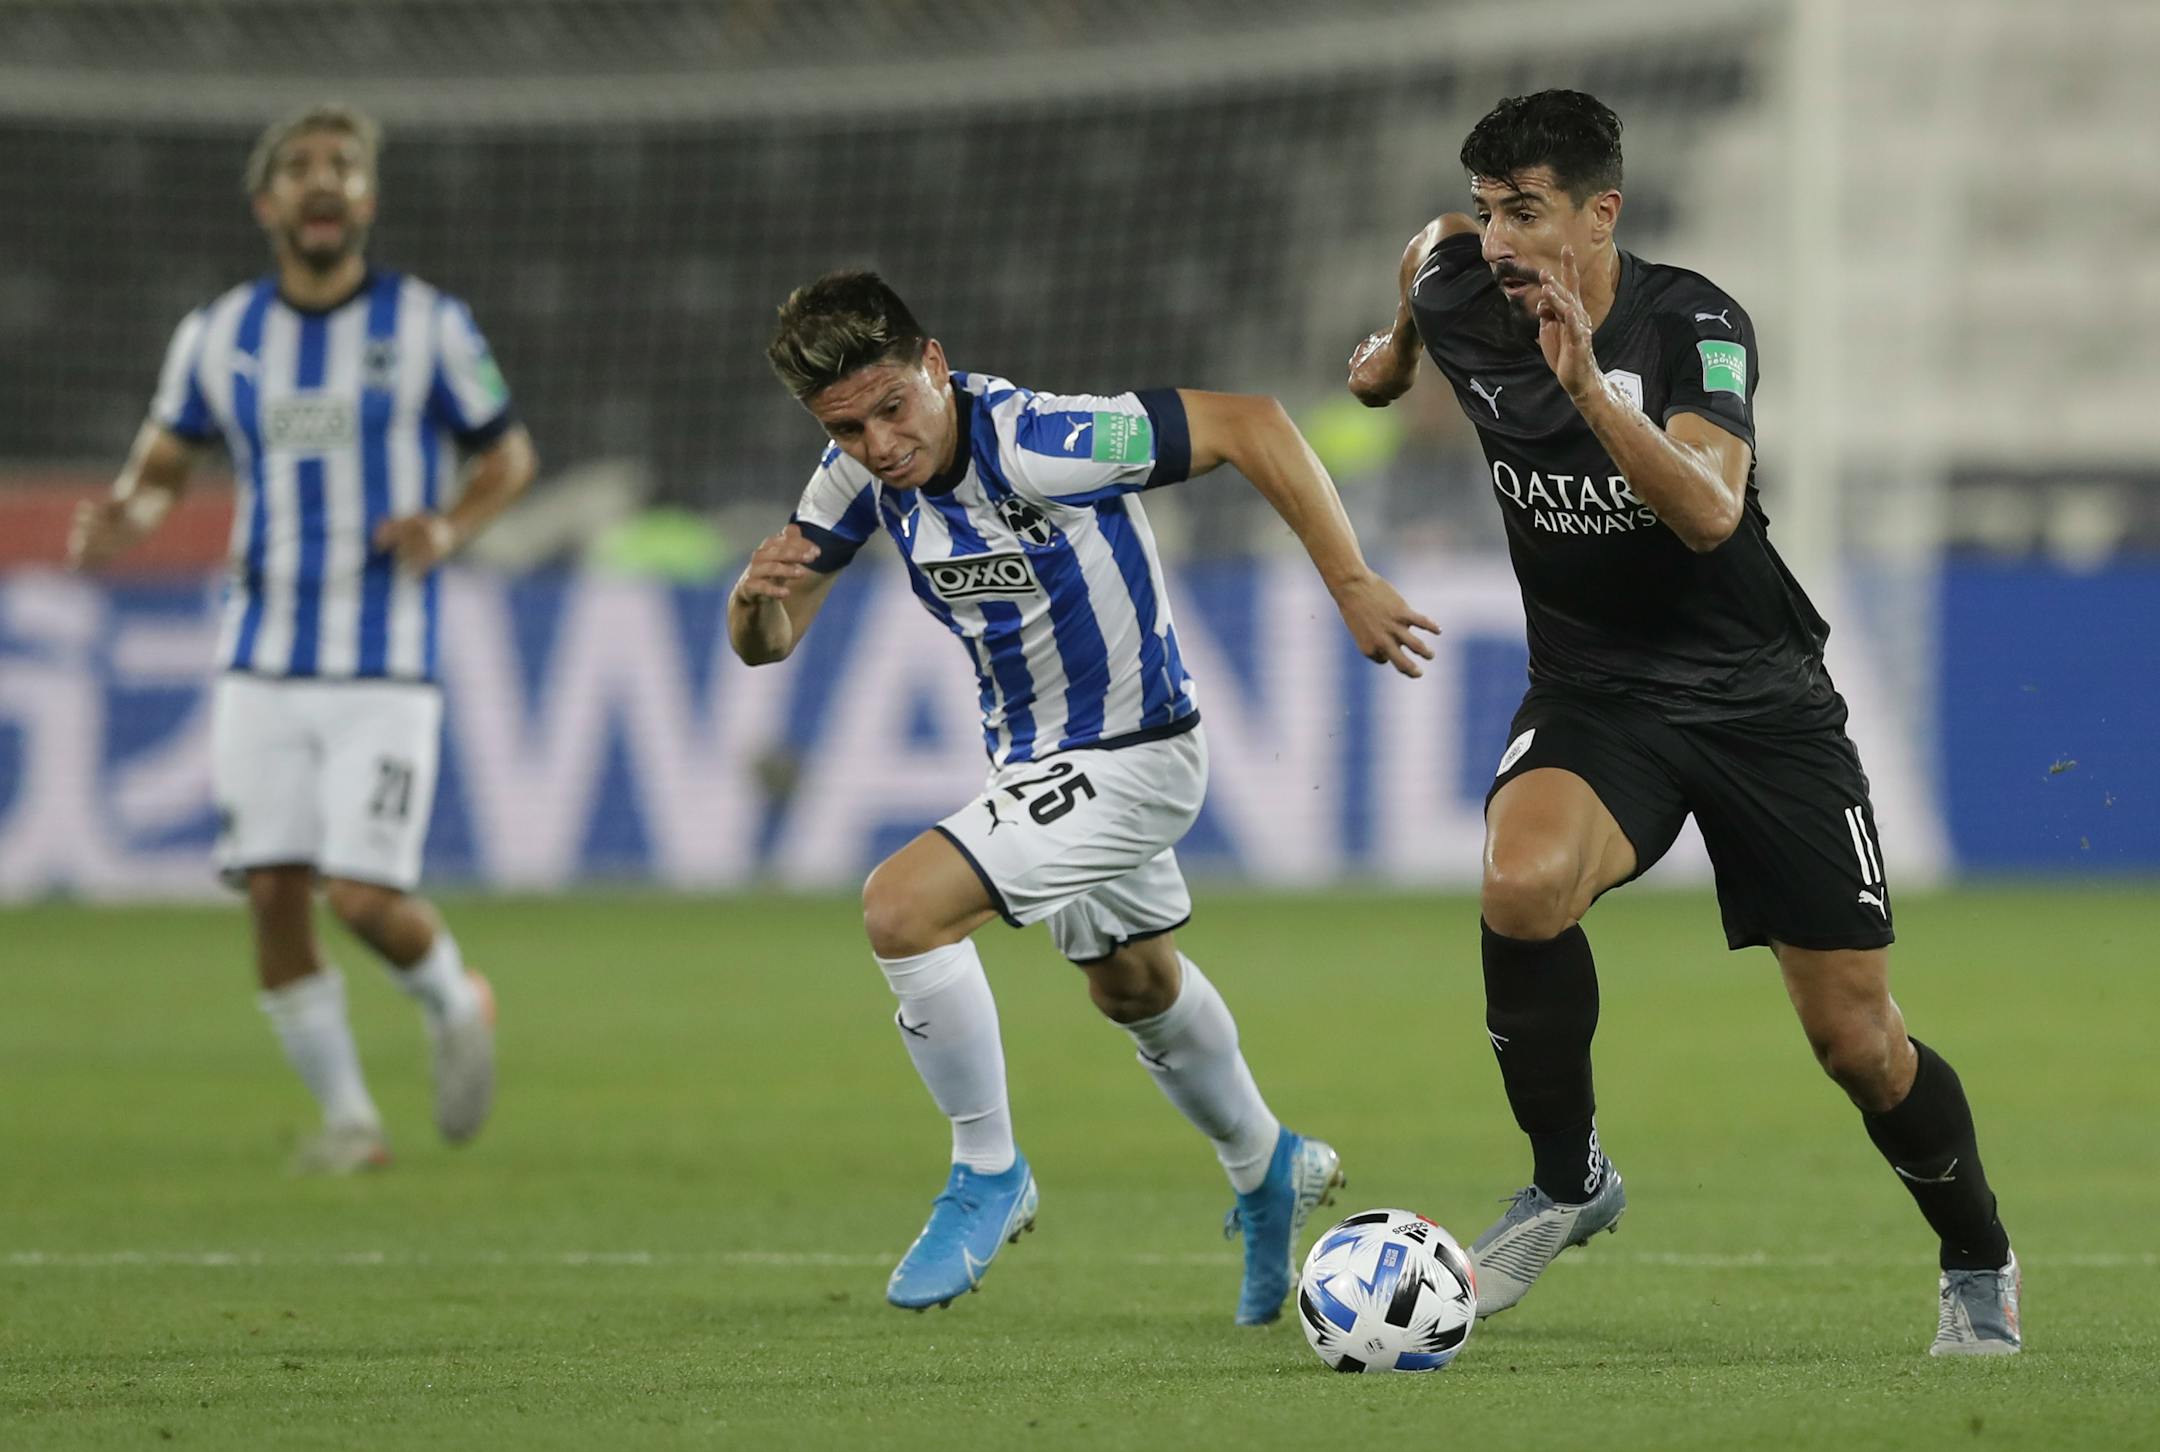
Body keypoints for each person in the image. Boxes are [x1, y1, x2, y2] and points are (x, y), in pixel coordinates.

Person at [1347, 90, 2018, 1355]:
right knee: (1521, 883)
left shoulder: (1697, 323)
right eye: (1490, 209)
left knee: (1858, 1043)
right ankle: (1566, 1181)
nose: (1498, 238)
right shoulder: (1457, 278)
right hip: (1599, 693)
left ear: (1602, 213)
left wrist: (1589, 392)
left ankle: (1976, 1255)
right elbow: (1422, 248)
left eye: (1527, 212)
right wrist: (1392, 356)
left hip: (1760, 701)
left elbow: (1711, 512)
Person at [732, 270, 1436, 1322]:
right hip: (1037, 768)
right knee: (1135, 987)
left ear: (932, 364)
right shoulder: (853, 484)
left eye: (891, 408)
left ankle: (988, 1170)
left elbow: (1252, 423)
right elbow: (771, 646)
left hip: (1140, 755)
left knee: (902, 907)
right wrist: (755, 603)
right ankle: (1267, 1162)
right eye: (846, 427)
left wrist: (1349, 581)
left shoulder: (1041, 439)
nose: (879, 443)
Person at [68, 104, 537, 1174]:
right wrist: (126, 520)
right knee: (273, 891)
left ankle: (455, 996)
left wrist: (449, 526)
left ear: (366, 199)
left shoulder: (428, 324)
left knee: (363, 894)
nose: (322, 181)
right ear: (267, 202)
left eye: (343, 167)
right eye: (300, 167)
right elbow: (158, 473)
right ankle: (351, 1123)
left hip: (384, 660)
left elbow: (508, 455)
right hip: (261, 657)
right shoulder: (220, 335)